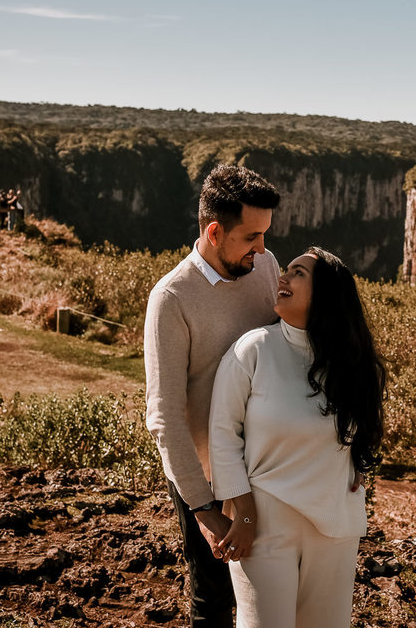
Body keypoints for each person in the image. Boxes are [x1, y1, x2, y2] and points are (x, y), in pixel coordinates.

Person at [209, 247, 387, 628]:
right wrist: (242, 512)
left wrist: (354, 466)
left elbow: (359, 435)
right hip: (264, 524)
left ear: (326, 294)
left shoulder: (351, 366)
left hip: (336, 527)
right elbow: (223, 435)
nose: (283, 278)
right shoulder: (254, 348)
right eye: (286, 270)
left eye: (299, 273)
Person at [144, 165, 282, 627]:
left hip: (267, 464)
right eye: (251, 237)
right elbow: (164, 417)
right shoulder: (171, 298)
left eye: (265, 235)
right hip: (208, 475)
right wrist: (203, 509)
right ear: (215, 231)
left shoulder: (266, 267)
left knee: (268, 590)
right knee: (215, 599)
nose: (262, 249)